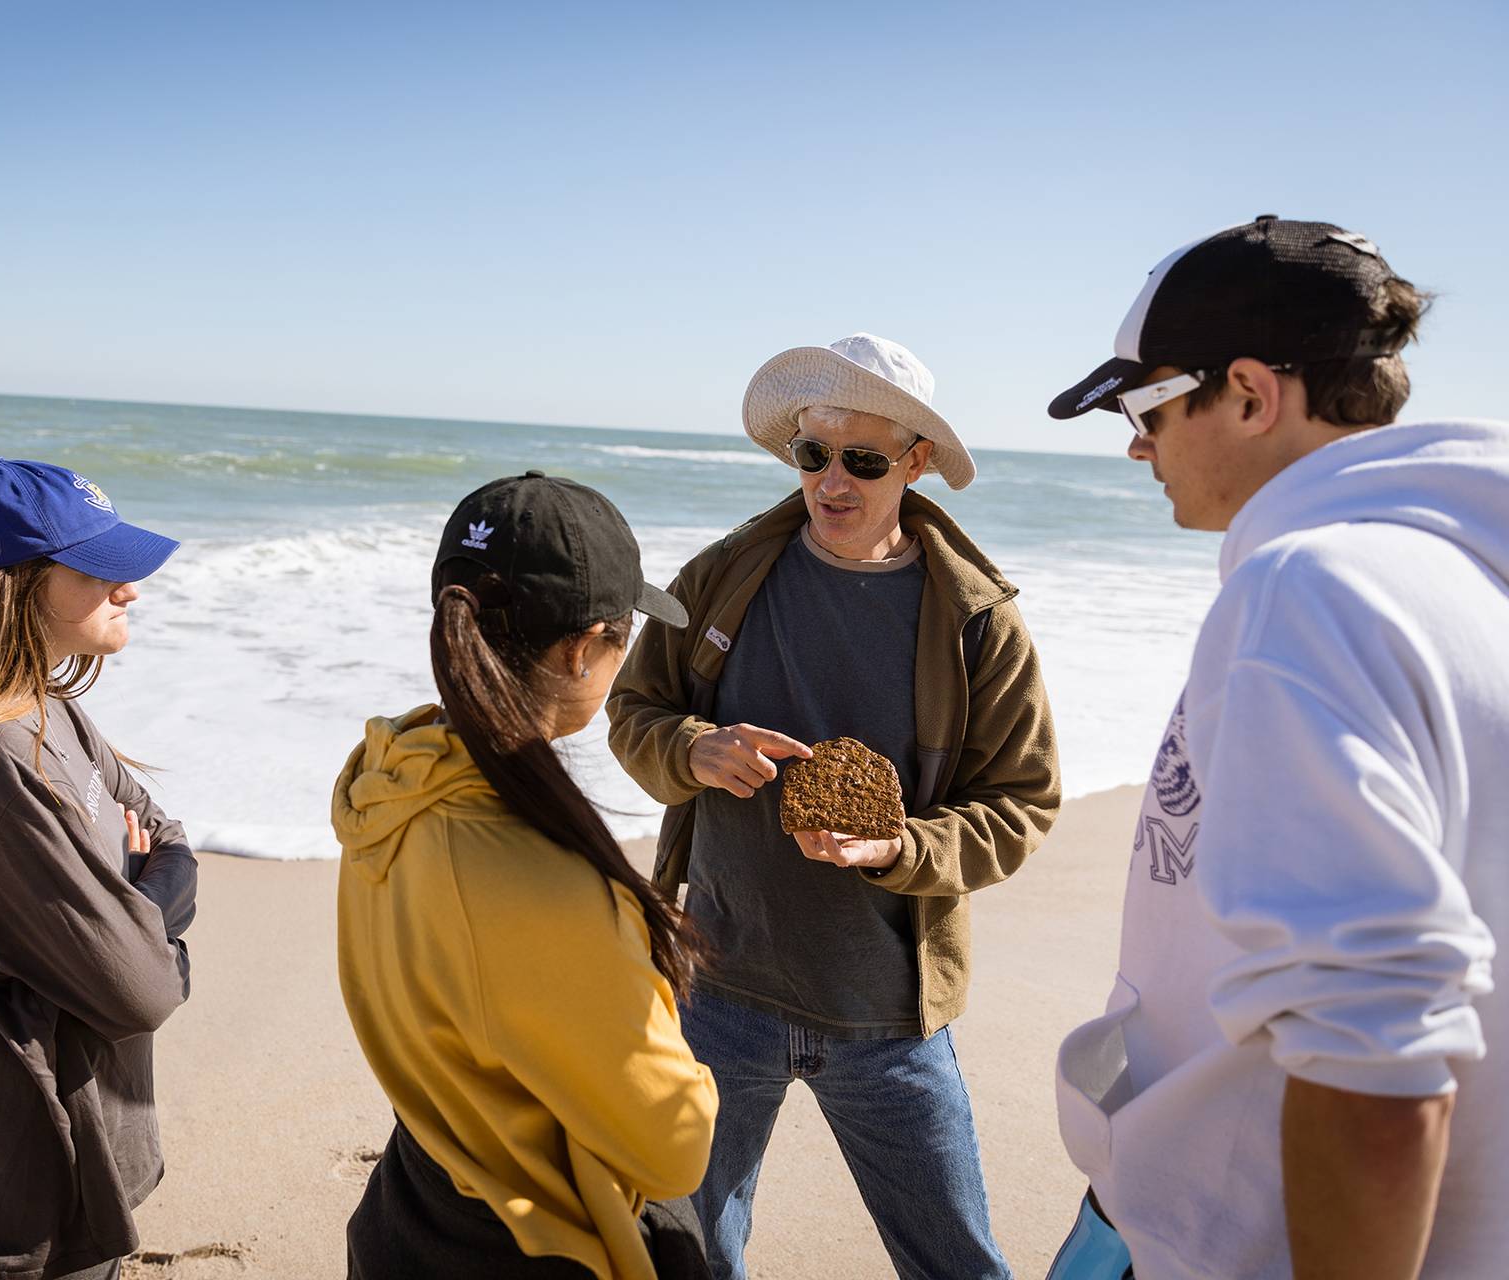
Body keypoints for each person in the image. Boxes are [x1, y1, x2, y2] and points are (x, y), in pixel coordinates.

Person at [1045, 215, 1507, 1279]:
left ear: (1249, 394)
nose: (1133, 443)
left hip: (1233, 1244)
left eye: (1143, 405)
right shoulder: (1466, 572)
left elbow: (1375, 1052)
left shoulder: (1308, 592)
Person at [608, 334, 1061, 1280]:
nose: (832, 481)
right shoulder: (723, 577)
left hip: (889, 1012)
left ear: (916, 461)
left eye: (863, 460)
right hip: (720, 993)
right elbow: (634, 709)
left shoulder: (977, 619)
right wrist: (695, 747)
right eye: (814, 454)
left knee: (960, 1267)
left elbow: (1021, 805)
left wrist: (900, 847)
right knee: (683, 1263)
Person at [333, 471, 719, 1279]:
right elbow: (675, 1150)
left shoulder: (389, 777)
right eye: (625, 638)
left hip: (415, 1200)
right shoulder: (540, 877)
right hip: (533, 1241)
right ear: (583, 650)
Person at [0, 457, 197, 1280]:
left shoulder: (48, 707)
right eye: (99, 570)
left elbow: (170, 839)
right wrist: (145, 907)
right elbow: (144, 990)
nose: (128, 589)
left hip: (81, 1110)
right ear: (10, 586)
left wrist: (134, 899)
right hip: (38, 1140)